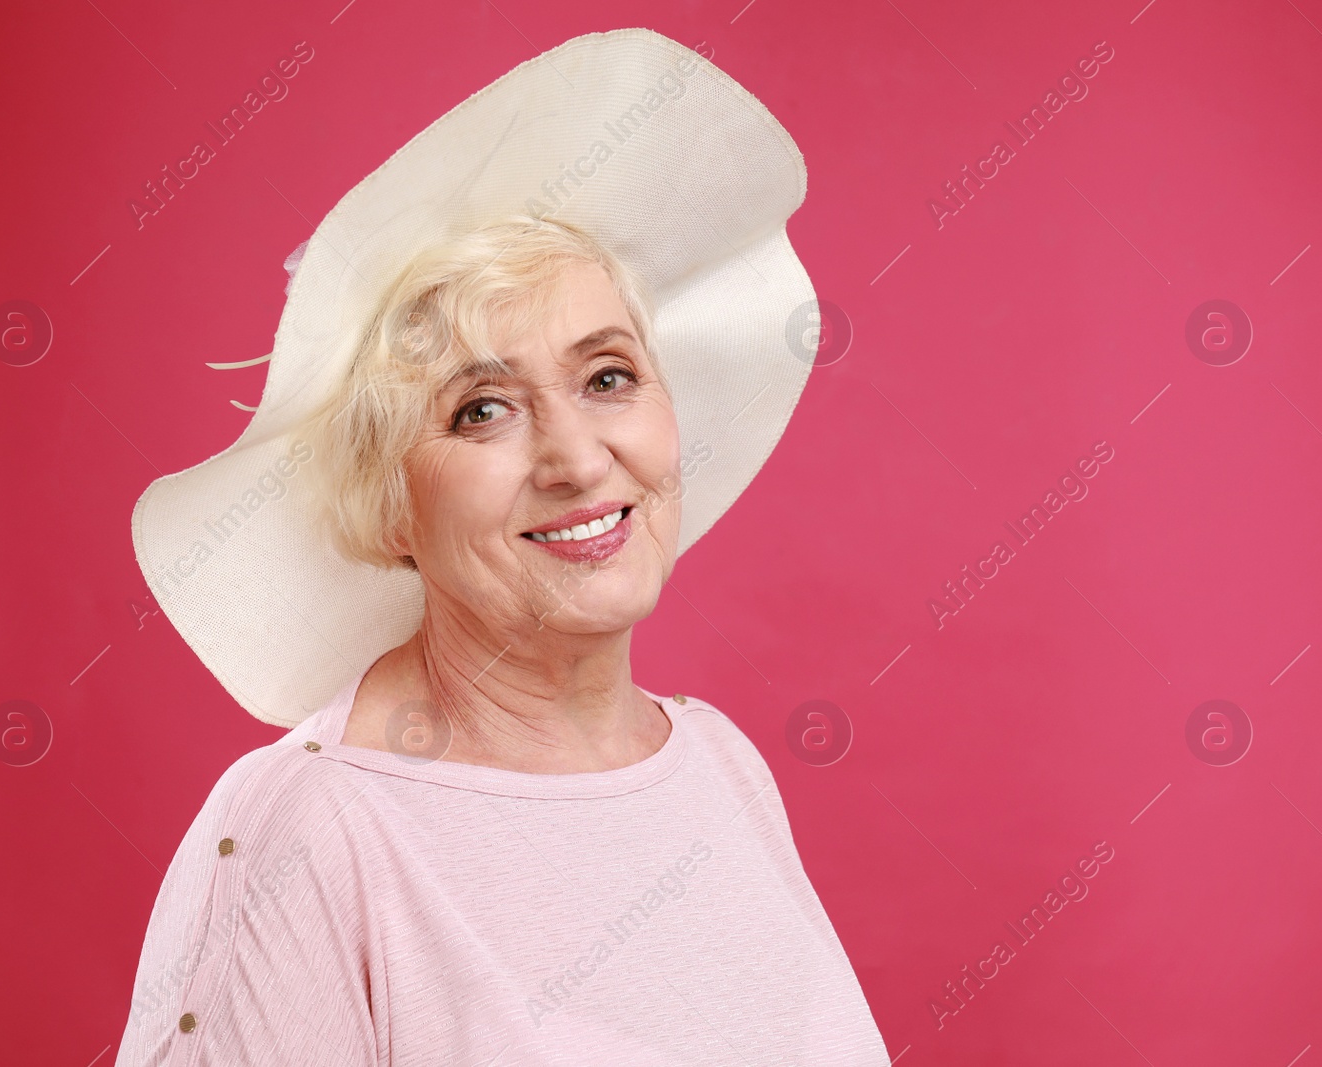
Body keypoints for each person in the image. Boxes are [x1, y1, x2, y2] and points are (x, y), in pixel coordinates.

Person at [118, 28, 891, 1066]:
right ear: (391, 503)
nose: (577, 457)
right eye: (482, 409)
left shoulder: (717, 762)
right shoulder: (314, 827)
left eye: (608, 376)